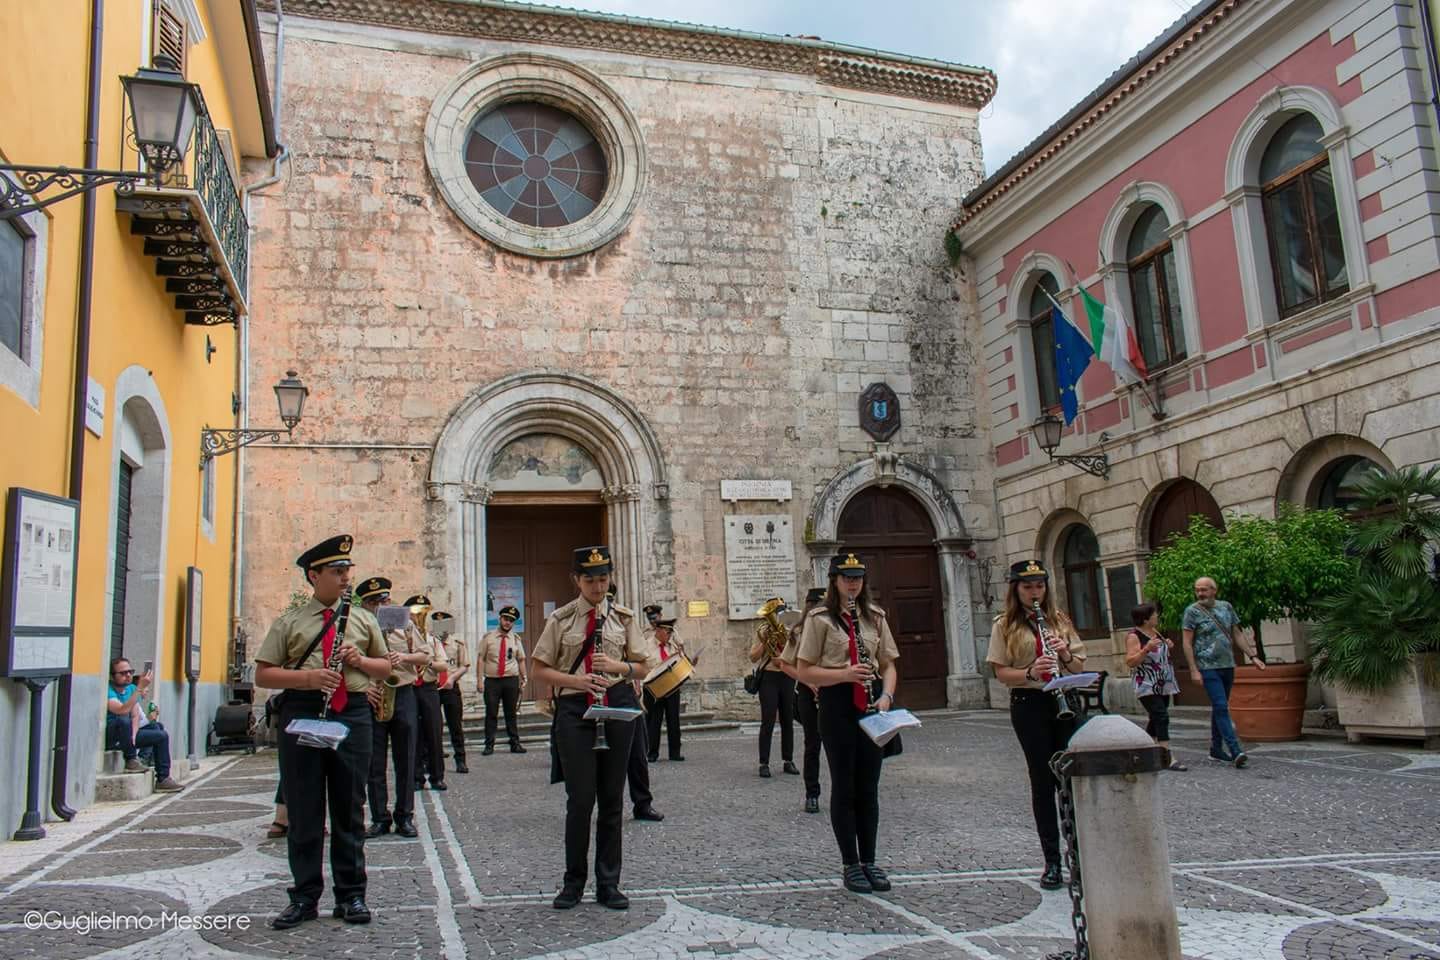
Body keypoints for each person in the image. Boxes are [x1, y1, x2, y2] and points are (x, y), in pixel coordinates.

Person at [254, 534, 392, 929]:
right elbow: (264, 673)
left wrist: (361, 659)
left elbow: (388, 669)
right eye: (337, 571)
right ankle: (304, 896)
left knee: (350, 807)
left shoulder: (363, 619)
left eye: (348, 570)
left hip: (352, 716)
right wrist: (310, 677)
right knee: (304, 808)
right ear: (314, 576)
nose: (346, 577)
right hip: (304, 712)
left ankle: (351, 895)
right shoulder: (291, 621)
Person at [530, 546, 657, 910]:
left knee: (613, 800)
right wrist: (579, 681)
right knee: (580, 800)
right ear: (576, 580)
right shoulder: (562, 619)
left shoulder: (624, 618)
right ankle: (573, 882)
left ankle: (608, 882)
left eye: (603, 579)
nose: (598, 587)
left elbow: (642, 667)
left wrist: (616, 666)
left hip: (615, 705)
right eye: (590, 580)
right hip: (575, 710)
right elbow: (538, 670)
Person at [796, 554, 900, 894]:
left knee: (869, 786)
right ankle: (850, 863)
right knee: (844, 784)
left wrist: (886, 696)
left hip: (871, 706)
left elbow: (889, 664)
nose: (852, 583)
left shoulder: (875, 617)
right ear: (834, 580)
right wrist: (843, 674)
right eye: (846, 577)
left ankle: (870, 859)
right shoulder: (820, 618)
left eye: (857, 577)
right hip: (837, 705)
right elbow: (805, 669)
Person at [986, 559, 1087, 891]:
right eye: (1028, 587)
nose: (1035, 593)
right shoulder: (1005, 625)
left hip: (1065, 701)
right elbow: (1001, 673)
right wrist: (1030, 671)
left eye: (1040, 586)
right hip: (1030, 704)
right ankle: (1052, 861)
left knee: (1070, 782)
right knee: (1042, 781)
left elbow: (1078, 664)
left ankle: (1079, 858)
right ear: (1016, 589)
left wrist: (1064, 654)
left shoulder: (1059, 621)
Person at [357, 576, 426, 839]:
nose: (381, 605)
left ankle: (404, 817)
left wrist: (404, 656)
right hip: (373, 696)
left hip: (403, 692)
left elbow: (425, 656)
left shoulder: (405, 624)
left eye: (384, 599)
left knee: (406, 759)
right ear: (365, 605)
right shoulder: (360, 627)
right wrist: (364, 686)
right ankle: (379, 818)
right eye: (375, 602)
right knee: (374, 763)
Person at [1182, 577, 1265, 769]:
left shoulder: (1226, 607)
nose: (1200, 593)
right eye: (1197, 590)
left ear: (1214, 590)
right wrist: (1194, 669)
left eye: (1204, 589)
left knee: (1220, 707)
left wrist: (1253, 656)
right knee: (1220, 706)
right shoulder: (1192, 611)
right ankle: (1236, 750)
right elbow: (1187, 642)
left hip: (1227, 664)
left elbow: (1236, 633)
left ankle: (1215, 749)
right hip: (1207, 666)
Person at [779, 587, 826, 813]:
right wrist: (808, 680)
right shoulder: (799, 631)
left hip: (834, 690)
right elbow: (785, 663)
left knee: (842, 745)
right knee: (812, 744)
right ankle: (812, 793)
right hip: (809, 693)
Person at [105, 659, 184, 792]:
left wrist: (134, 736)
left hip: (128, 734)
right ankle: (131, 760)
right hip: (114, 734)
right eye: (123, 673)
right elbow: (122, 710)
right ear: (113, 675)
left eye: (130, 672)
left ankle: (163, 778)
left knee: (158, 729)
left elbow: (135, 715)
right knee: (123, 720)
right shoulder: (108, 690)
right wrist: (140, 688)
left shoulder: (130, 688)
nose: (128, 675)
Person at [1124, 603, 1186, 772]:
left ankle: (1147, 750)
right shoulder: (1134, 636)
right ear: (1145, 619)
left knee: (1156, 717)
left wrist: (1168, 646)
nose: (1157, 617)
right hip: (1146, 684)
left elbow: (1159, 655)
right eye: (1154, 615)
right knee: (1161, 716)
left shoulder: (1156, 632)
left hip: (1163, 682)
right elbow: (1131, 661)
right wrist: (1146, 649)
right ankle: (1166, 756)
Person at [749, 598, 798, 778]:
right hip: (769, 677)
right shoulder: (762, 631)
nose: (777, 618)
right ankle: (764, 763)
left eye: (780, 614)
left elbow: (797, 653)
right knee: (767, 720)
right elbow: (752, 657)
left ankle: (788, 760)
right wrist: (765, 642)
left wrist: (783, 657)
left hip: (787, 676)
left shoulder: (792, 631)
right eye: (776, 614)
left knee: (787, 719)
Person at [406, 594, 450, 791]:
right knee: (412, 733)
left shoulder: (432, 640)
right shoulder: (401, 638)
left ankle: (437, 776)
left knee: (434, 732)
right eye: (414, 613)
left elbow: (443, 665)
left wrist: (427, 662)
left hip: (428, 688)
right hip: (409, 689)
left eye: (421, 613)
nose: (417, 617)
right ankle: (416, 777)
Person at [477, 605, 528, 755]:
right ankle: (489, 745)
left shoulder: (516, 639)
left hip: (510, 681)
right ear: (500, 618)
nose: (507, 623)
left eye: (511, 620)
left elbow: (521, 660)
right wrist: (479, 680)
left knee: (510, 713)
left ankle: (515, 743)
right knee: (491, 713)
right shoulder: (488, 638)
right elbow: (481, 659)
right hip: (492, 681)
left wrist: (524, 678)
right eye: (506, 619)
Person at [432, 611, 471, 774]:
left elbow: (465, 665)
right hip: (432, 687)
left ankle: (460, 760)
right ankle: (433, 760)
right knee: (434, 726)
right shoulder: (429, 642)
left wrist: (452, 678)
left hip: (450, 687)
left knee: (455, 725)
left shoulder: (457, 643)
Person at [644, 613, 685, 763]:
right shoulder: (646, 645)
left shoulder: (672, 646)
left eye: (670, 633)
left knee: (674, 720)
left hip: (672, 687)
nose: (670, 636)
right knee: (653, 721)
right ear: (659, 631)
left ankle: (675, 752)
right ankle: (652, 752)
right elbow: (643, 666)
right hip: (653, 688)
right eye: (668, 633)